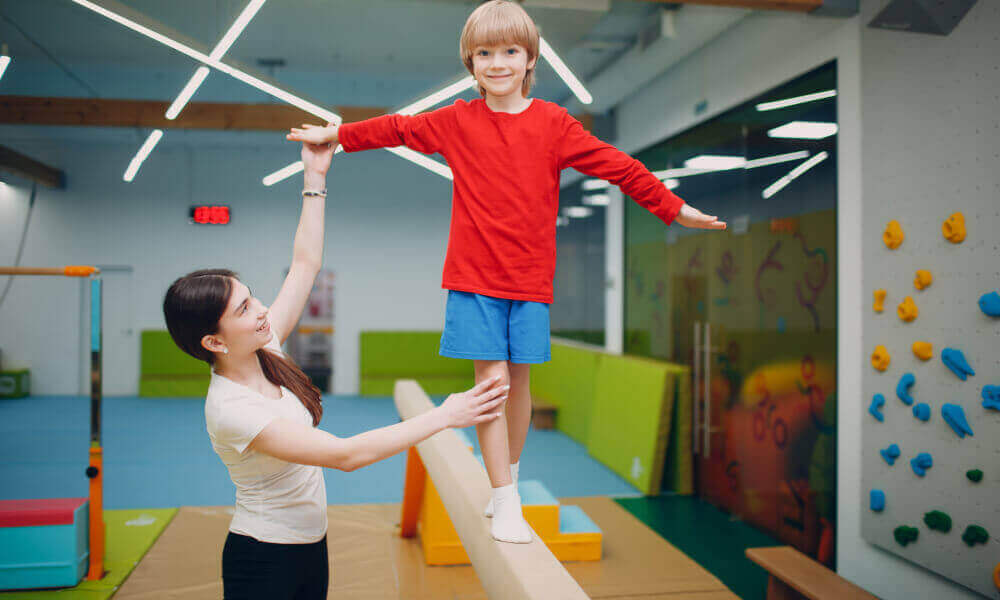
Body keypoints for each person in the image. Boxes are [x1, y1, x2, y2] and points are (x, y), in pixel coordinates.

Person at [286, 0, 726, 544]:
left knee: (519, 387)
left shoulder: (554, 125)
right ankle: (505, 497)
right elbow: (399, 128)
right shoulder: (457, 120)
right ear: (471, 63)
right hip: (474, 280)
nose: (497, 63)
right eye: (484, 53)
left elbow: (620, 167)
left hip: (530, 281)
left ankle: (508, 479)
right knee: (491, 386)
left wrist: (672, 206)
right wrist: (341, 135)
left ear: (529, 58)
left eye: (509, 51)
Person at [162, 139, 508, 600]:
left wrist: (314, 179)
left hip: (309, 548)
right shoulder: (231, 409)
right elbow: (346, 457)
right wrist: (446, 415)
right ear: (214, 341)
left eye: (254, 294)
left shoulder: (269, 349)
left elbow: (305, 265)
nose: (263, 309)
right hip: (265, 559)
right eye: (245, 308)